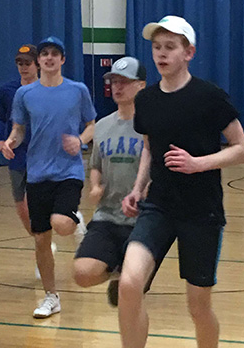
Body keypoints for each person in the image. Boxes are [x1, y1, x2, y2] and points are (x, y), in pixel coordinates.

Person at [119, 16, 244, 348]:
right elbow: (150, 147)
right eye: (156, 47)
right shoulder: (146, 100)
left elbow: (243, 150)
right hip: (159, 206)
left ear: (188, 52)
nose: (161, 54)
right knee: (129, 283)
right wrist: (138, 188)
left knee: (198, 306)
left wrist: (197, 164)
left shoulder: (210, 96)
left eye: (170, 47)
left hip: (201, 212)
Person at [1, 36, 96, 318]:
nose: (50, 58)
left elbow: (92, 125)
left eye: (55, 54)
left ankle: (76, 222)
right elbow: (18, 130)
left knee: (61, 223)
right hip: (37, 173)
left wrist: (79, 140)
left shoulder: (78, 90)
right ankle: (51, 296)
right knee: (41, 238)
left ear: (63, 60)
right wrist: (10, 142)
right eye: (45, 54)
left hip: (68, 171)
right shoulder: (25, 95)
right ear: (39, 60)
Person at [73, 56, 147, 307]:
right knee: (82, 274)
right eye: (114, 81)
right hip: (107, 216)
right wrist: (94, 187)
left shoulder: (153, 125)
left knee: (132, 289)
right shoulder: (103, 126)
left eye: (125, 81)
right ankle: (118, 269)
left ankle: (129, 271)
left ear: (141, 86)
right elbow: (96, 164)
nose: (118, 86)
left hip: (143, 220)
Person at [0, 44, 39, 235]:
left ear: (37, 65)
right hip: (17, 153)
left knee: (32, 201)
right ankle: (39, 241)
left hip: (40, 153)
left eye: (27, 63)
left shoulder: (46, 90)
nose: (23, 67)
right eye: (19, 63)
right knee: (21, 206)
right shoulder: (6, 90)